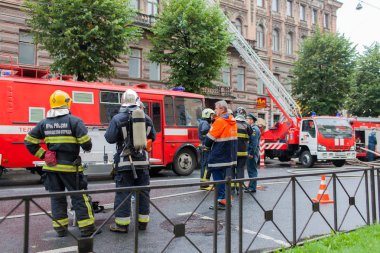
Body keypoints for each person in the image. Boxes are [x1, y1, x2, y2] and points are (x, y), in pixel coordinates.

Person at [24, 90, 97, 238]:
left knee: (57, 198)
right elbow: (86, 144)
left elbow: (29, 141)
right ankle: (87, 229)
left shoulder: (44, 123)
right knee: (79, 196)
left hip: (51, 168)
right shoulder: (74, 121)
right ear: (67, 103)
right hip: (70, 168)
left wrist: (44, 155)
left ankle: (60, 229)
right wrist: (85, 144)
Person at [105, 89, 156, 233]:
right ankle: (142, 223)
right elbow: (153, 136)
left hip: (125, 163)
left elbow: (109, 138)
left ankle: (122, 225)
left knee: (123, 193)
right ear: (137, 100)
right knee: (143, 193)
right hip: (143, 163)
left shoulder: (117, 118)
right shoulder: (146, 117)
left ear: (123, 101)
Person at [204, 100, 237, 210]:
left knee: (218, 180)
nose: (215, 110)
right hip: (229, 156)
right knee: (224, 180)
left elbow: (209, 139)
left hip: (218, 156)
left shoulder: (220, 121)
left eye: (216, 108)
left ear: (222, 109)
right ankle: (226, 200)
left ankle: (221, 201)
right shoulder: (232, 121)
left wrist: (205, 145)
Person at [232, 107, 253, 194]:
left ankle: (231, 189)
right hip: (243, 153)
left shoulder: (232, 124)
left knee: (231, 170)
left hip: (232, 152)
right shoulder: (247, 125)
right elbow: (250, 134)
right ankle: (239, 189)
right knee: (240, 170)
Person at [198, 108, 215, 190]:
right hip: (206, 146)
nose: (212, 117)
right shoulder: (205, 123)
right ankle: (204, 185)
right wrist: (212, 128)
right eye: (211, 115)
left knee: (205, 165)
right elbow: (204, 130)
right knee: (206, 165)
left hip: (204, 145)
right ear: (207, 115)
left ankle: (205, 184)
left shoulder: (203, 122)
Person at [245, 113, 261, 193]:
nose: (246, 121)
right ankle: (250, 186)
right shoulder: (252, 128)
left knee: (252, 170)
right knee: (250, 169)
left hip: (252, 153)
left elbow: (253, 143)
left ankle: (252, 187)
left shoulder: (254, 129)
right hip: (252, 152)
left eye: (247, 119)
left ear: (251, 120)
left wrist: (251, 153)